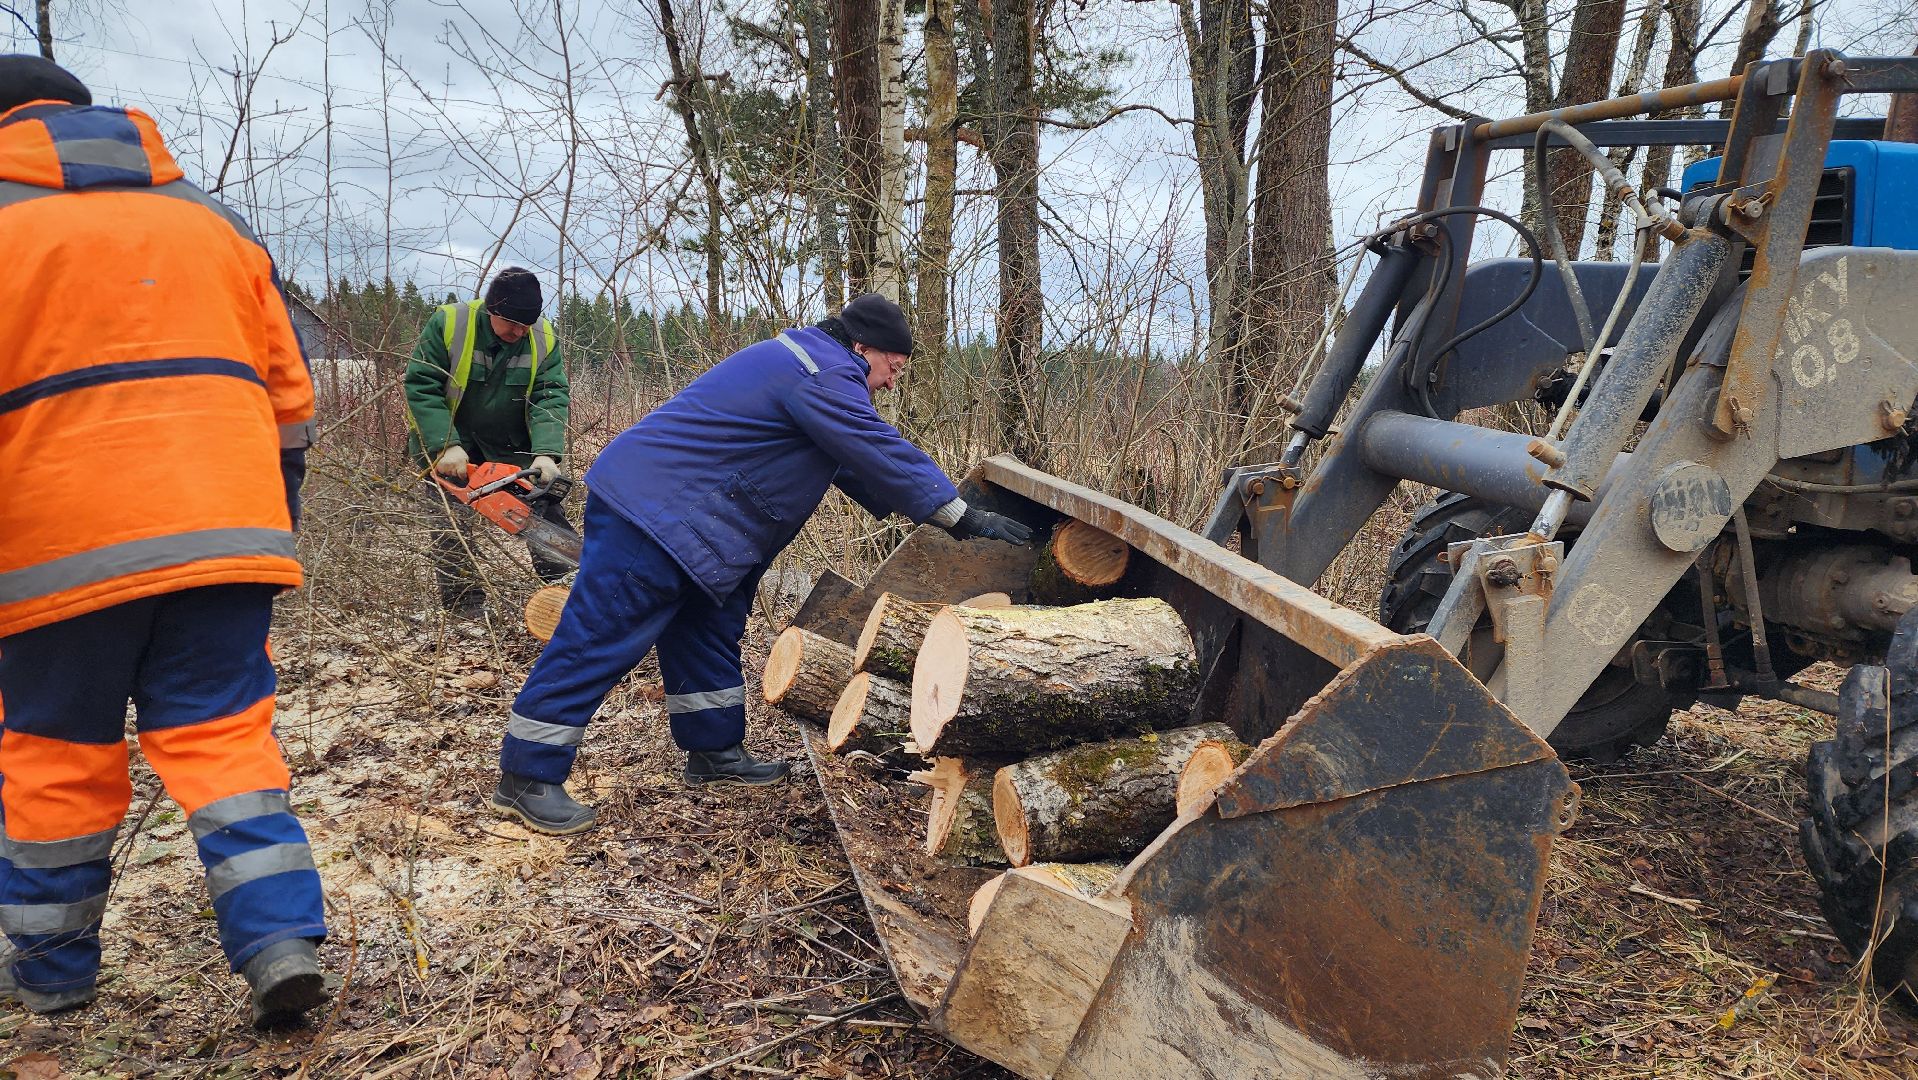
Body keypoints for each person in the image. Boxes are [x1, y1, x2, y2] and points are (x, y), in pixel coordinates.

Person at [0, 56, 328, 1024]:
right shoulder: (212, 220)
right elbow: (289, 395)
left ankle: (54, 979)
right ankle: (278, 943)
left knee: (58, 756)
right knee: (226, 743)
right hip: (227, 526)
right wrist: (271, 526)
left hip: (50, 547)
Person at [491, 293, 1033, 834]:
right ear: (864, 347)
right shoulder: (819, 370)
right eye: (893, 368)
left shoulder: (810, 364)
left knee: (705, 630)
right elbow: (872, 443)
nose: (892, 383)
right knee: (599, 633)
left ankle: (714, 753)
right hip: (654, 511)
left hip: (695, 522)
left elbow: (851, 459)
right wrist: (959, 515)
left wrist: (937, 506)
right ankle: (526, 775)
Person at [405, 267, 576, 618]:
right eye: (512, 324)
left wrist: (545, 452)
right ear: (492, 310)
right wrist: (444, 444)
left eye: (526, 325)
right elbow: (422, 384)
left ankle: (569, 588)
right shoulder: (451, 324)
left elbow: (550, 394)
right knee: (449, 524)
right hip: (454, 440)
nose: (519, 331)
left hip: (510, 442)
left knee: (542, 510)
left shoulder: (541, 337)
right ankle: (464, 609)